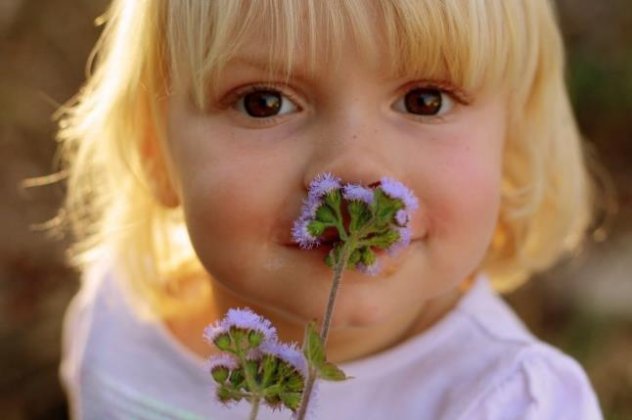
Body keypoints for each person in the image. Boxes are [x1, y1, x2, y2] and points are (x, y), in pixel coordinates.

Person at [57, 0, 603, 418]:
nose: (354, 172)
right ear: (156, 153)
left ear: (510, 144)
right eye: (264, 102)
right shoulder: (118, 316)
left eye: (425, 101)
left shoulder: (511, 402)